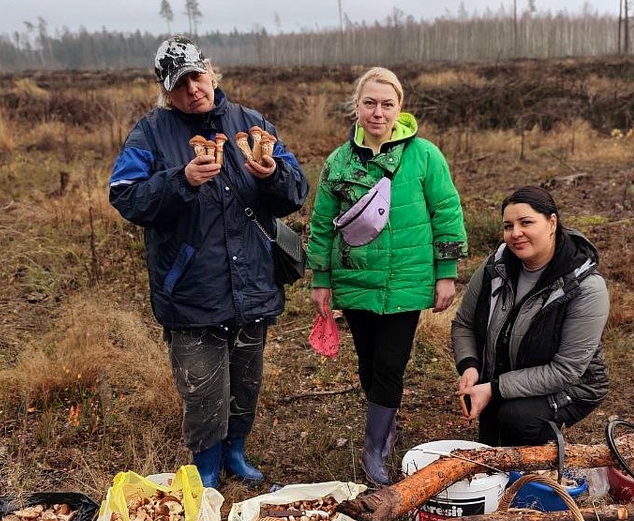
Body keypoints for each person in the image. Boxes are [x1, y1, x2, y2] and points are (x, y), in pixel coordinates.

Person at [108, 37, 308, 488]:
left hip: (252, 283)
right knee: (201, 390)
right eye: (179, 85)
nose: (193, 90)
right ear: (166, 91)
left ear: (212, 72)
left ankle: (235, 453)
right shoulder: (151, 133)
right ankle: (206, 466)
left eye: (197, 77)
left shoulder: (252, 123)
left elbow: (297, 190)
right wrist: (180, 180)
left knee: (246, 383)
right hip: (191, 289)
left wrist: (274, 174)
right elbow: (125, 194)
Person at [307, 66, 467, 486]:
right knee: (368, 363)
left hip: (406, 282)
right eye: (370, 103)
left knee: (390, 365)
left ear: (400, 108)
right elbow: (322, 223)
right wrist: (320, 279)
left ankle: (374, 447)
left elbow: (446, 211)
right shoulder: (338, 163)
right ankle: (386, 421)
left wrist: (445, 272)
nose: (378, 112)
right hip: (356, 279)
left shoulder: (425, 156)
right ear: (357, 107)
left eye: (387, 104)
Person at [451, 184, 609, 446]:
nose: (515, 234)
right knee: (491, 446)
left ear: (551, 223)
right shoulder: (496, 265)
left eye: (526, 222)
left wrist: (494, 388)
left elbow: (566, 369)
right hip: (510, 374)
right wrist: (469, 365)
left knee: (516, 418)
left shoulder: (586, 288)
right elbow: (464, 324)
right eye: (508, 226)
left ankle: (546, 454)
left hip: (574, 385)